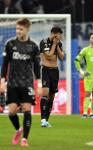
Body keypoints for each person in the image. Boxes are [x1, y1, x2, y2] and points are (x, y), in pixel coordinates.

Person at [0, 18, 42, 146]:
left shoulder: (33, 46)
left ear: (27, 29)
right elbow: (5, 64)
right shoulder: (10, 44)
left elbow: (36, 67)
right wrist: (2, 81)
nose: (18, 31)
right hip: (12, 83)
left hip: (27, 83)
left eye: (21, 29)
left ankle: (25, 139)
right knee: (12, 112)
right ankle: (18, 130)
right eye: (17, 28)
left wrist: (39, 84)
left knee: (26, 109)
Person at [39, 26, 65, 127]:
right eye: (58, 34)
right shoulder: (44, 42)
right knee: (45, 93)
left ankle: (46, 120)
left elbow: (62, 57)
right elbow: (48, 56)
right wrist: (54, 44)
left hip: (55, 71)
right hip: (46, 70)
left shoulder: (59, 43)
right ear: (54, 34)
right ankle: (43, 119)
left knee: (52, 96)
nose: (59, 37)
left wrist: (57, 45)